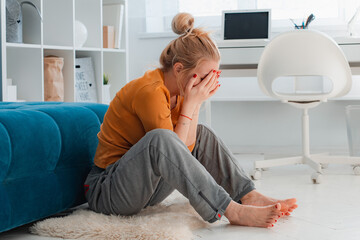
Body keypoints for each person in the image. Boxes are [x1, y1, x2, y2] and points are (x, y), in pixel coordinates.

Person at [84, 12, 297, 228]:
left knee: (202, 133)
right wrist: (192, 104)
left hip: (144, 188)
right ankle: (231, 210)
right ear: (178, 69)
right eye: (204, 77)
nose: (208, 84)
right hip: (107, 190)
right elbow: (169, 149)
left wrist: (194, 103)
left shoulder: (181, 90)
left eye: (213, 77)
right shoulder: (150, 91)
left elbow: (185, 148)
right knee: (161, 138)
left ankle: (248, 194)